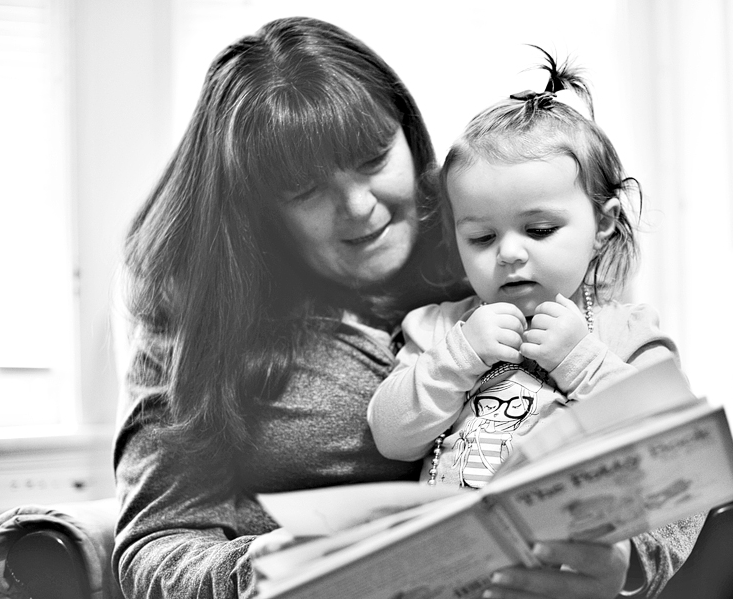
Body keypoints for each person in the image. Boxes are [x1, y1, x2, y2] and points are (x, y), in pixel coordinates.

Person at [112, 17, 698, 599]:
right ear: (257, 208)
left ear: (407, 133)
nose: (359, 207)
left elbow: (667, 459)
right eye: (305, 190)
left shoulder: (498, 241)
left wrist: (629, 568)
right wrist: (259, 567)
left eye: (372, 158)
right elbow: (153, 546)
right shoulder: (198, 310)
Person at [367, 50, 692, 594]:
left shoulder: (627, 333)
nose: (509, 254)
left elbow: (669, 450)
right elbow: (391, 436)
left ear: (604, 225)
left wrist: (581, 361)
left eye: (538, 230)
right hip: (443, 572)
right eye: (482, 237)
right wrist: (458, 356)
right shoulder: (440, 327)